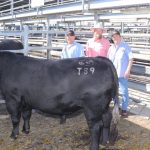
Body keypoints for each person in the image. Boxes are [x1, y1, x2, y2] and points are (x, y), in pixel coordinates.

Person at [107, 30, 133, 117]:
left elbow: (131, 59)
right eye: (113, 37)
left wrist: (128, 70)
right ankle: (116, 106)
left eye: (116, 36)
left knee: (124, 91)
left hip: (122, 74)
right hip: (113, 74)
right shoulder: (111, 48)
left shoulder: (125, 46)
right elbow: (109, 61)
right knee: (114, 91)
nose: (115, 38)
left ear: (120, 36)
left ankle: (124, 109)